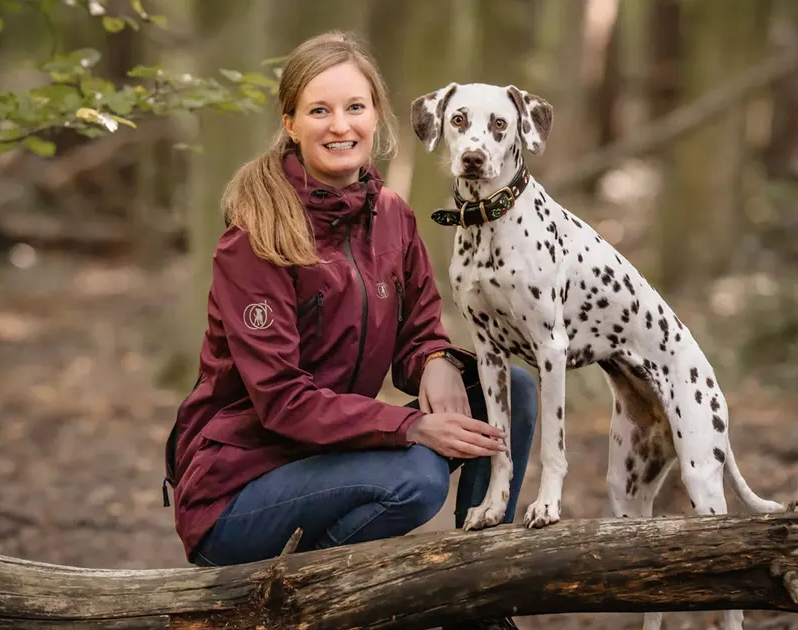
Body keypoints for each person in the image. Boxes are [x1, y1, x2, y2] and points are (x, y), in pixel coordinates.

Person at [162, 31, 537, 630]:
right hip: (238, 492)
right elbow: (283, 402)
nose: (340, 125)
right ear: (290, 122)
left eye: (354, 107)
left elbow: (417, 331)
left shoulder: (391, 216)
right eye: (319, 110)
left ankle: (477, 596)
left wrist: (437, 357)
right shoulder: (257, 238)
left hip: (332, 458)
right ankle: (307, 608)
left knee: (510, 391)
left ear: (376, 116)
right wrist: (409, 423)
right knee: (416, 479)